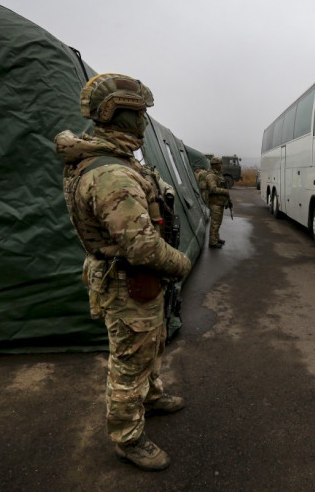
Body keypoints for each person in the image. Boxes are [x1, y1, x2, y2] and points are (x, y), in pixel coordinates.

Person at [54, 73, 192, 472]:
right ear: (118, 116)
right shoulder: (110, 173)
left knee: (150, 344)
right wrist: (180, 265)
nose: (145, 123)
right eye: (139, 115)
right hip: (128, 280)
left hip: (138, 279)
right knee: (129, 362)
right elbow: (142, 246)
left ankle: (151, 398)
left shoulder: (117, 161)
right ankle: (128, 438)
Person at [206, 156, 230, 248]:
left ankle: (216, 238)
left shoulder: (218, 174)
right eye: (219, 164)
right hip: (215, 203)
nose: (221, 165)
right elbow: (212, 189)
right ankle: (213, 242)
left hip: (219, 202)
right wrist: (225, 191)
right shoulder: (211, 175)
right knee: (215, 223)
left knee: (218, 222)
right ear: (215, 165)